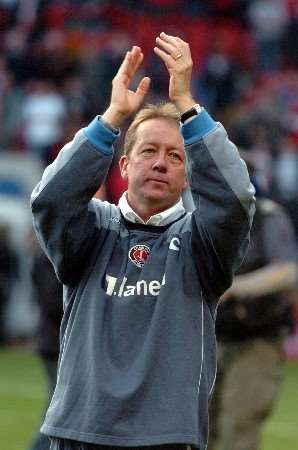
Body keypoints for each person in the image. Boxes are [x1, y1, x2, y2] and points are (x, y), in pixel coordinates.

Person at [30, 33, 255, 450]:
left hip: (166, 437)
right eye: (149, 150)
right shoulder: (92, 229)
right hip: (79, 430)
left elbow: (235, 198)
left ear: (188, 176)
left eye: (174, 156)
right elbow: (50, 199)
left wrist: (188, 104)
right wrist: (112, 116)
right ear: (125, 164)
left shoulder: (200, 243)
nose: (160, 163)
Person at [208, 157, 297, 450]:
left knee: (238, 431)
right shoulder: (206, 218)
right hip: (211, 339)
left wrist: (235, 287)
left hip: (257, 338)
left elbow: (287, 272)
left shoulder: (269, 217)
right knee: (201, 431)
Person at [27, 242, 63, 450]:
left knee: (57, 410)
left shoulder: (44, 250)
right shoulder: (49, 252)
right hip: (55, 343)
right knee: (57, 413)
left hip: (51, 340)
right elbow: (53, 301)